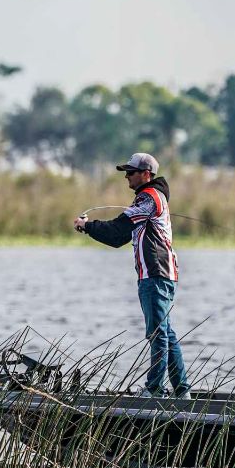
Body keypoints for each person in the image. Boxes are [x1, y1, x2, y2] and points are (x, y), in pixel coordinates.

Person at [73, 153, 190, 398]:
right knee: (166, 331)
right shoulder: (148, 198)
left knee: (157, 333)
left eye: (131, 172)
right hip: (159, 274)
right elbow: (120, 239)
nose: (126, 176)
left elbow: (117, 230)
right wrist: (91, 228)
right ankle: (182, 392)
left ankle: (154, 390)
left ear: (146, 174)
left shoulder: (148, 198)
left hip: (155, 274)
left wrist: (86, 225)